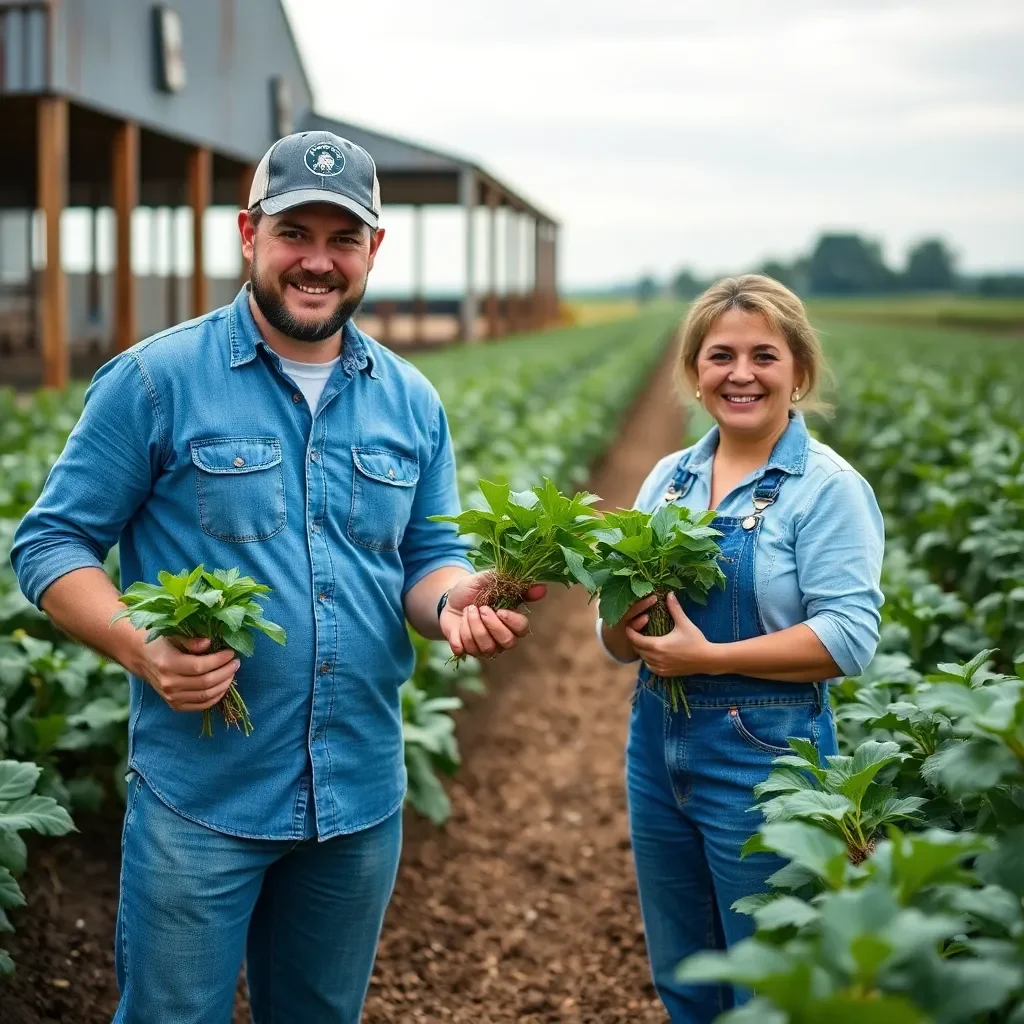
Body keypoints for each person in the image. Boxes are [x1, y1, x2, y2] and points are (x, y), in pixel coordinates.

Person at [11, 130, 542, 1024]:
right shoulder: (156, 380)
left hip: (358, 797)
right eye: (298, 233)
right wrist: (141, 647)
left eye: (344, 239)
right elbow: (51, 543)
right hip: (202, 800)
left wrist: (454, 602)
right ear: (250, 234)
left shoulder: (411, 400)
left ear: (374, 250)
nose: (318, 262)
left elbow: (424, 561)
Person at [597, 275, 884, 1022]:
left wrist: (710, 659)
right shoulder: (668, 480)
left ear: (800, 372)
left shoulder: (827, 489)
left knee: (767, 981)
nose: (742, 374)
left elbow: (849, 640)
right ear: (695, 372)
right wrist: (617, 616)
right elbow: (617, 644)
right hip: (656, 745)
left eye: (765, 355)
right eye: (721, 356)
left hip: (768, 755)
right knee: (686, 974)